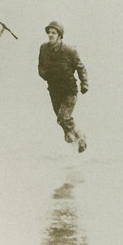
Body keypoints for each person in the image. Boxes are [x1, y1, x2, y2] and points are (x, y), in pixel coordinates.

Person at [37, 21, 88, 152]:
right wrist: (45, 74)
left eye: (53, 33)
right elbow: (40, 67)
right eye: (49, 32)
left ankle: (80, 137)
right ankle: (74, 143)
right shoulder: (43, 49)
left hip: (69, 89)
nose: (50, 35)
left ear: (60, 36)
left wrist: (84, 84)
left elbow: (80, 67)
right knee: (60, 119)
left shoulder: (70, 50)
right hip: (54, 90)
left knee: (64, 117)